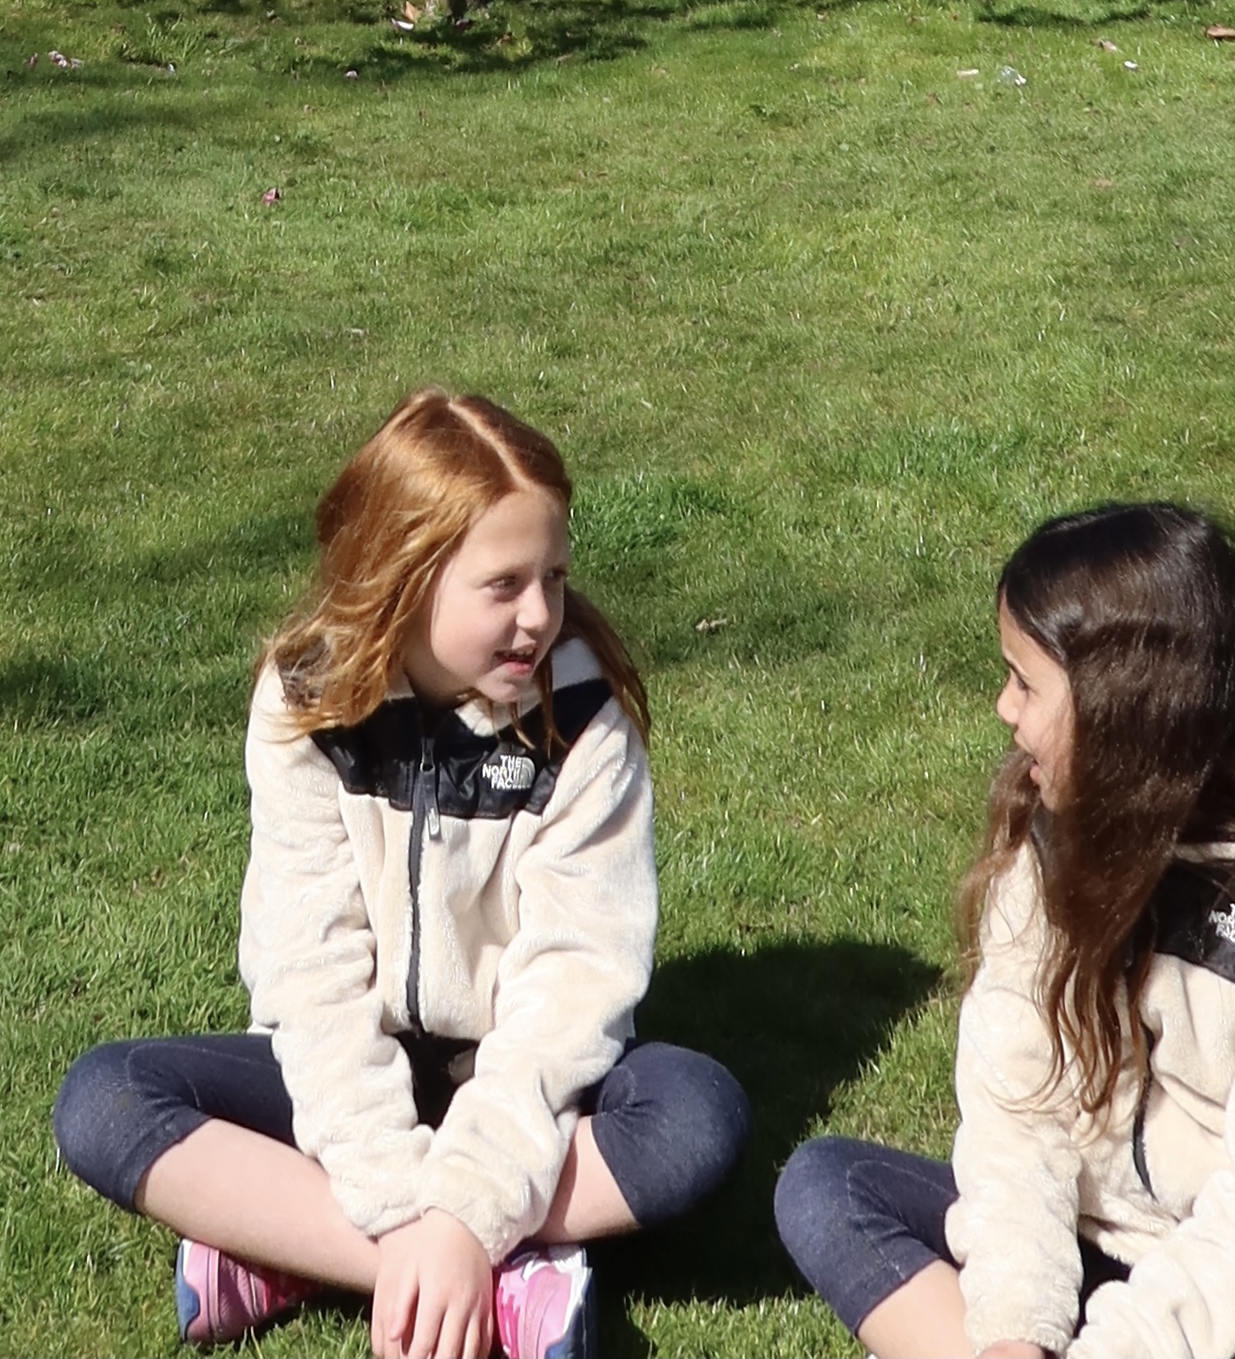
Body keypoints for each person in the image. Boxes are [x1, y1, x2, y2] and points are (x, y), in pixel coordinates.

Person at [55, 389, 750, 1359]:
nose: (540, 614)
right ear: (403, 574)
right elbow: (310, 965)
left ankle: (288, 1243)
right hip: (342, 1073)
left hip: (509, 1070)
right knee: (104, 1097)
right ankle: (495, 1285)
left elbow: (570, 990)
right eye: (502, 584)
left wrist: (467, 1209)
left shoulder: (581, 717)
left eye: (552, 573)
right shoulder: (306, 698)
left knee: (694, 1114)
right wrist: (407, 1213)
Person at [776, 502, 1235, 1359]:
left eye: (1024, 680)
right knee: (828, 1184)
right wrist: (1017, 1330)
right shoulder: (1048, 832)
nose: (1002, 707)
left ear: (1129, 708)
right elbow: (1016, 1115)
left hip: (1234, 1295)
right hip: (1076, 1240)